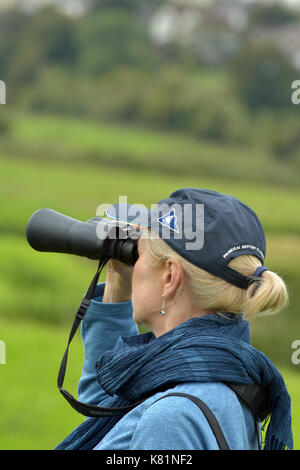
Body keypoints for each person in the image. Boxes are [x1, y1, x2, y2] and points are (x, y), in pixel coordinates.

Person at [56, 188, 293, 450]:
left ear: (170, 277)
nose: (134, 263)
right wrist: (118, 283)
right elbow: (108, 414)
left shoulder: (171, 419)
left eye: (140, 253)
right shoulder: (227, 379)